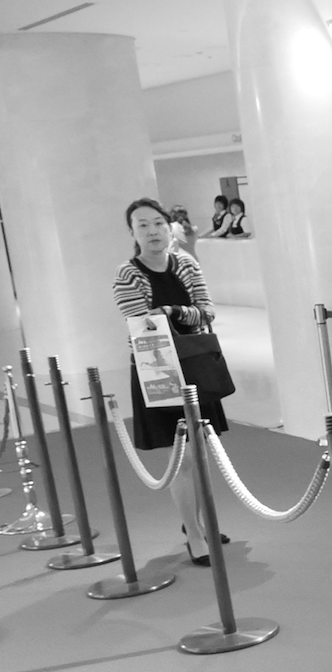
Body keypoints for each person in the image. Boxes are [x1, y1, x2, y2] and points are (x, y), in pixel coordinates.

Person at [111, 197, 226, 566]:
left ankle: (200, 522)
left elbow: (207, 312)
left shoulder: (187, 264)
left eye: (158, 223)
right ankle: (193, 533)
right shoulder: (127, 274)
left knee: (202, 453)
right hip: (156, 369)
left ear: (168, 226)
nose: (153, 231)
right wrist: (175, 317)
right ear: (132, 232)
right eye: (142, 225)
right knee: (183, 457)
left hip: (195, 365)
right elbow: (142, 326)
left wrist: (173, 311)